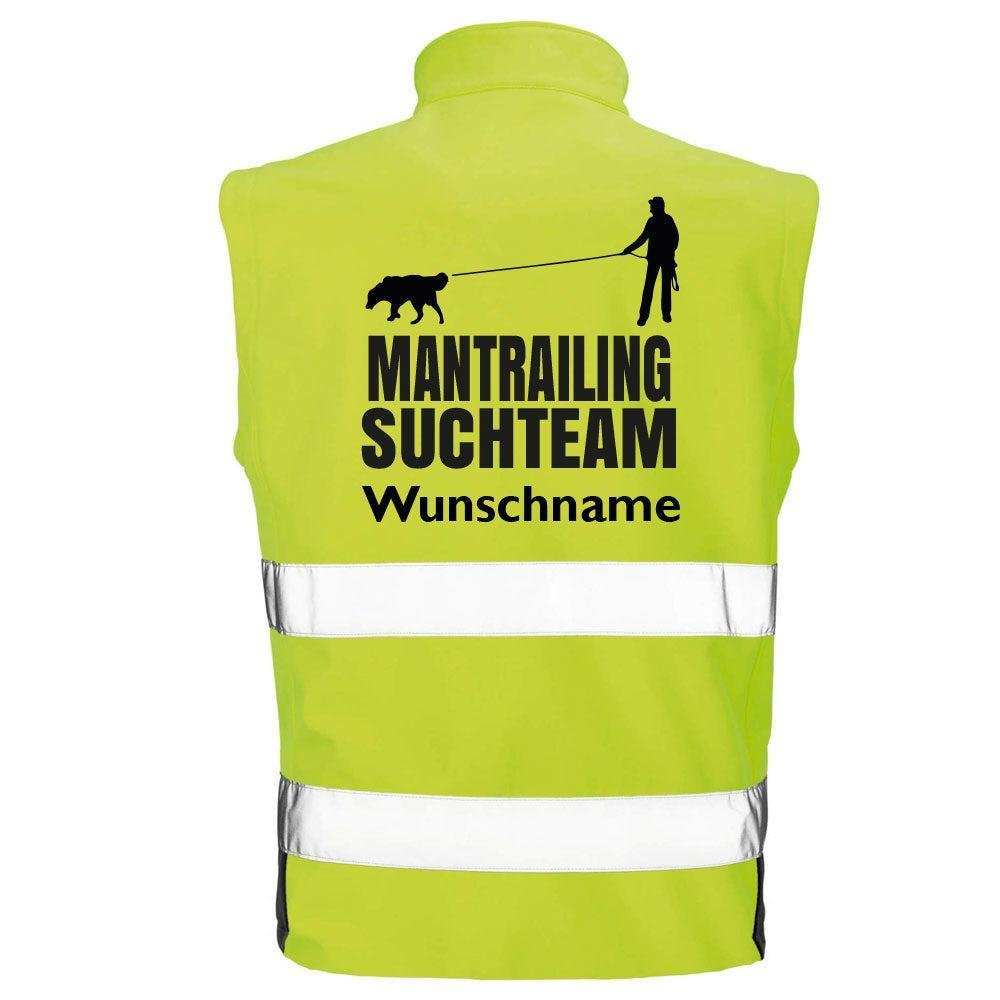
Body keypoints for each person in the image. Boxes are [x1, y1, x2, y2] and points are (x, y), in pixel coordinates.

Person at [622, 196, 679, 325]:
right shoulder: (653, 221)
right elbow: (643, 238)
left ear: (658, 207)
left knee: (659, 287)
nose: (650, 209)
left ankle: (662, 314)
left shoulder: (665, 220)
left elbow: (675, 239)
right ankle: (646, 316)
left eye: (652, 206)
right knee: (651, 287)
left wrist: (629, 249)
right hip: (656, 259)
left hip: (664, 260)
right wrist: (629, 249)